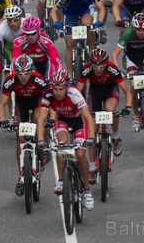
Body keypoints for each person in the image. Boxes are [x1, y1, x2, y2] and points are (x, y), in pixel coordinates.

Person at [34, 69, 96, 211]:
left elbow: (88, 117)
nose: (58, 92)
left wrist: (91, 137)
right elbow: (42, 118)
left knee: (80, 154)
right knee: (61, 146)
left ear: (67, 87)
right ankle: (61, 181)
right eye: (55, 89)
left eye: (61, 89)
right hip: (62, 120)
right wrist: (41, 140)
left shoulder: (74, 94)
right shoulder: (48, 95)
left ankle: (87, 191)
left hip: (78, 121)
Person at [0, 55, 48, 196]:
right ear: (16, 73)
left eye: (26, 74)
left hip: (37, 101)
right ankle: (21, 176)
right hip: (22, 104)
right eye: (20, 74)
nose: (23, 77)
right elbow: (1, 104)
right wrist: (3, 119)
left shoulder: (38, 79)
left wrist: (47, 117)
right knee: (20, 139)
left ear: (31, 71)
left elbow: (49, 99)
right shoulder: (10, 81)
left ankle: (43, 145)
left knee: (39, 118)